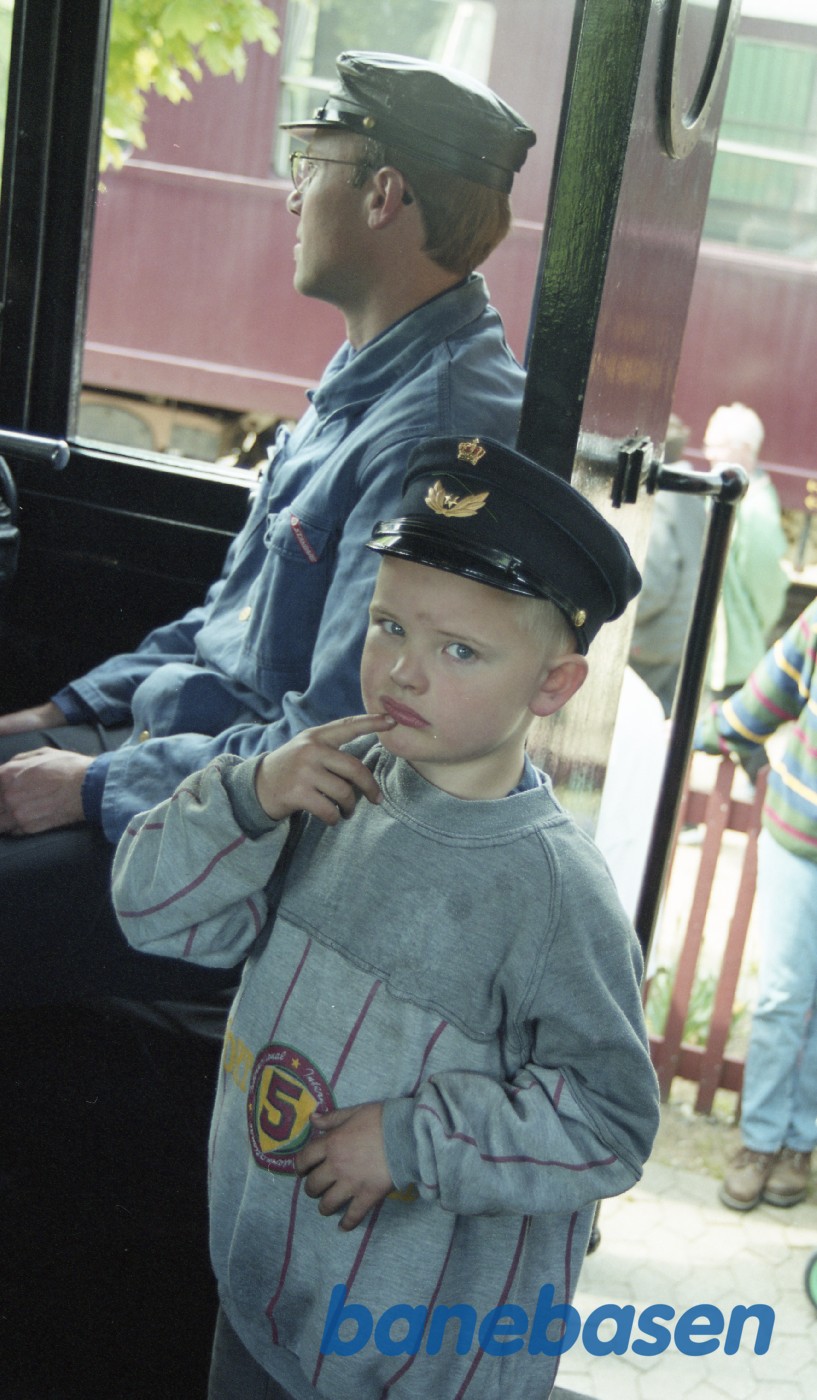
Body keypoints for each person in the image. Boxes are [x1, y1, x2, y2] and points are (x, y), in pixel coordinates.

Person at [112, 434, 660, 1400]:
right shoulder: (326, 788)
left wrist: (412, 1140)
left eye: (457, 649)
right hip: (262, 1302)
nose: (402, 671)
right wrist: (244, 796)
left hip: (414, 1361)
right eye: (386, 625)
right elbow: (153, 913)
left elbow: (612, 1121)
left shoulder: (551, 891)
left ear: (553, 685)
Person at [0, 52, 536, 1007]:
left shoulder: (436, 427)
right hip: (181, 762)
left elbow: (342, 731)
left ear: (381, 193)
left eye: (310, 161)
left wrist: (91, 782)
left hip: (250, 838)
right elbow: (228, 620)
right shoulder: (366, 384)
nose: (291, 193)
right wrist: (61, 714)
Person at [695, 600, 817, 1212]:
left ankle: (802, 1143)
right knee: (783, 997)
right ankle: (761, 1140)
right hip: (803, 837)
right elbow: (763, 701)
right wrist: (696, 726)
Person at [701, 402, 788, 780]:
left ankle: (771, 799)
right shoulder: (744, 499)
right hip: (723, 645)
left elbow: (768, 591)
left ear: (743, 450)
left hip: (732, 647)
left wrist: (752, 629)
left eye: (716, 445)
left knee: (744, 735)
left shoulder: (756, 513)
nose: (708, 454)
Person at [629, 413, 707, 717]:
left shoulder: (661, 500)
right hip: (675, 636)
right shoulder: (692, 497)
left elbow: (655, 583)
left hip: (650, 644)